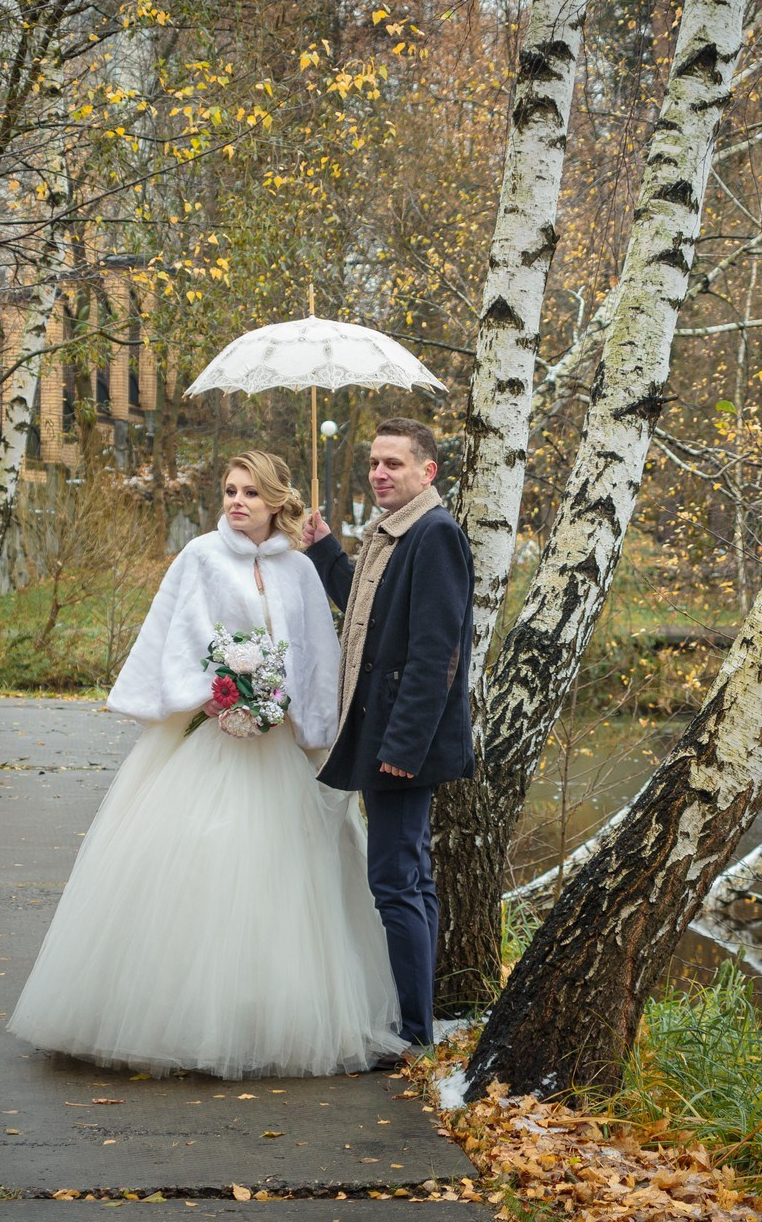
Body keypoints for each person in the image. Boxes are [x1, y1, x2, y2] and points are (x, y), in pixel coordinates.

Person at [6, 451, 403, 1078]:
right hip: (212, 736)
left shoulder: (300, 571)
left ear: (276, 501)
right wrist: (220, 694)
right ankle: (175, 1016)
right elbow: (179, 636)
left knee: (285, 879)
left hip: (278, 748)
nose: (236, 502)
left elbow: (316, 653)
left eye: (250, 492)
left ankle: (266, 1015)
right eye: (229, 490)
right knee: (200, 861)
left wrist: (300, 715)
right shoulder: (200, 557)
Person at [302, 418, 475, 1060]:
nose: (379, 473)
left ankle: (413, 1033)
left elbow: (436, 655)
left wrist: (401, 750)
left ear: (427, 472)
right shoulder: (390, 535)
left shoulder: (435, 536)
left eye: (394, 464)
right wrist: (326, 551)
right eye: (375, 462)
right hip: (388, 736)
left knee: (395, 882)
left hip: (404, 745)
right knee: (413, 879)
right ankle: (419, 1023)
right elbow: (369, 620)